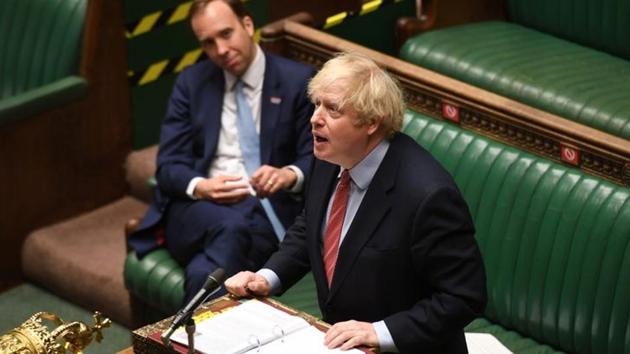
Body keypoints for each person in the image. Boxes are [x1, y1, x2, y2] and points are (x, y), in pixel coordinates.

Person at [225, 53, 487, 353]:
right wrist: (267, 277)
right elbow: (313, 227)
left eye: (332, 109)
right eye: (316, 104)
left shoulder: (427, 195)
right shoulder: (330, 156)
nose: (315, 119)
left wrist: (380, 332)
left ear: (371, 122)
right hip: (338, 343)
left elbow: (464, 297)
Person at [128, 0, 315, 303]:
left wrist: (287, 174)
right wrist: (201, 187)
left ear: (248, 25)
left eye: (226, 34)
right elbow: (168, 165)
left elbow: (317, 157)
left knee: (209, 264)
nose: (221, 49)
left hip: (265, 212)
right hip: (198, 210)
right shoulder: (192, 83)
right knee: (230, 228)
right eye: (208, 43)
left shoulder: (297, 81)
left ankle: (188, 342)